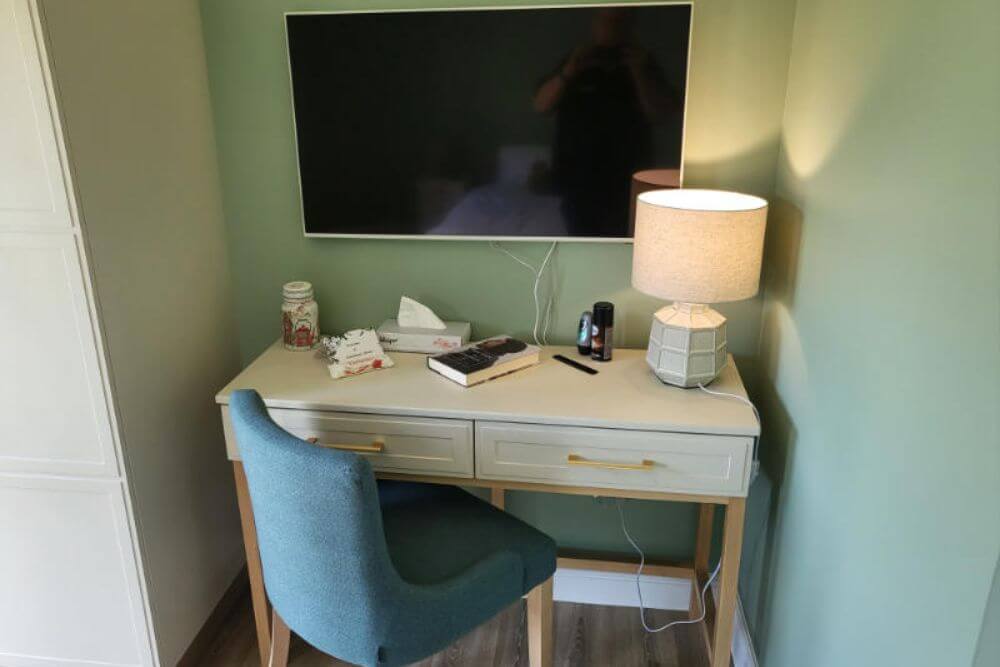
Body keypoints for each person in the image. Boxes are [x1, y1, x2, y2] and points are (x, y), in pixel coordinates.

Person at [534, 8, 679, 237]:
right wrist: (569, 70)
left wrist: (638, 71)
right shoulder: (575, 61)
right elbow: (541, 105)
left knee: (627, 244)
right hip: (577, 179)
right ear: (594, 23)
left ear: (630, 27)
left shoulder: (644, 64)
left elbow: (661, 114)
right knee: (580, 241)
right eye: (606, 20)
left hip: (629, 179)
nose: (612, 27)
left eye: (619, 22)